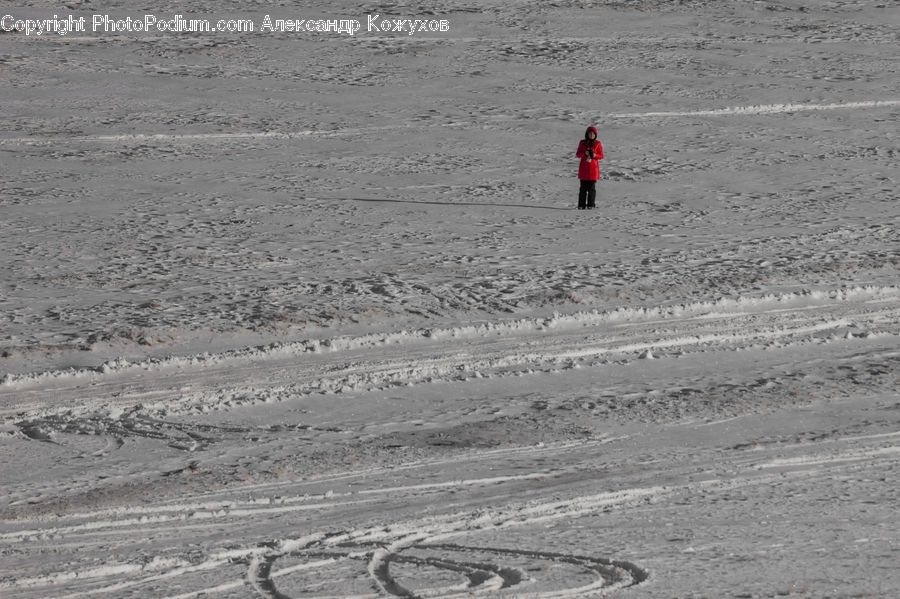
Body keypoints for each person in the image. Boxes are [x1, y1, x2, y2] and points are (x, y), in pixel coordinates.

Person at [575, 126, 603, 210]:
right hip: (584, 169)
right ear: (587, 134)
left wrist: (595, 155)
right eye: (590, 133)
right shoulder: (582, 143)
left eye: (593, 134)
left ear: (595, 135)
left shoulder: (597, 143)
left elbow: (601, 155)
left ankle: (591, 205)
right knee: (583, 189)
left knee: (591, 189)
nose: (591, 135)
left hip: (593, 170)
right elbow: (578, 154)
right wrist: (585, 153)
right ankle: (581, 205)